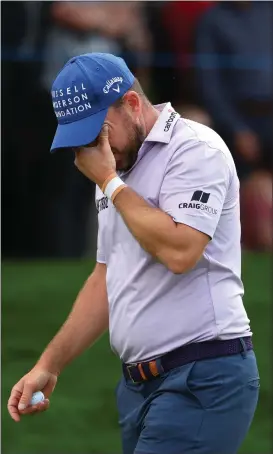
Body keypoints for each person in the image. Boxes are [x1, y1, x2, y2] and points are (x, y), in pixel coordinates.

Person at [8, 53, 260, 454]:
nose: (90, 150)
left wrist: (109, 181)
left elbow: (181, 251)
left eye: (98, 132)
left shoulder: (195, 149)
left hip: (202, 376)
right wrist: (48, 365)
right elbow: (106, 277)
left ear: (131, 104)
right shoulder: (115, 167)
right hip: (140, 388)